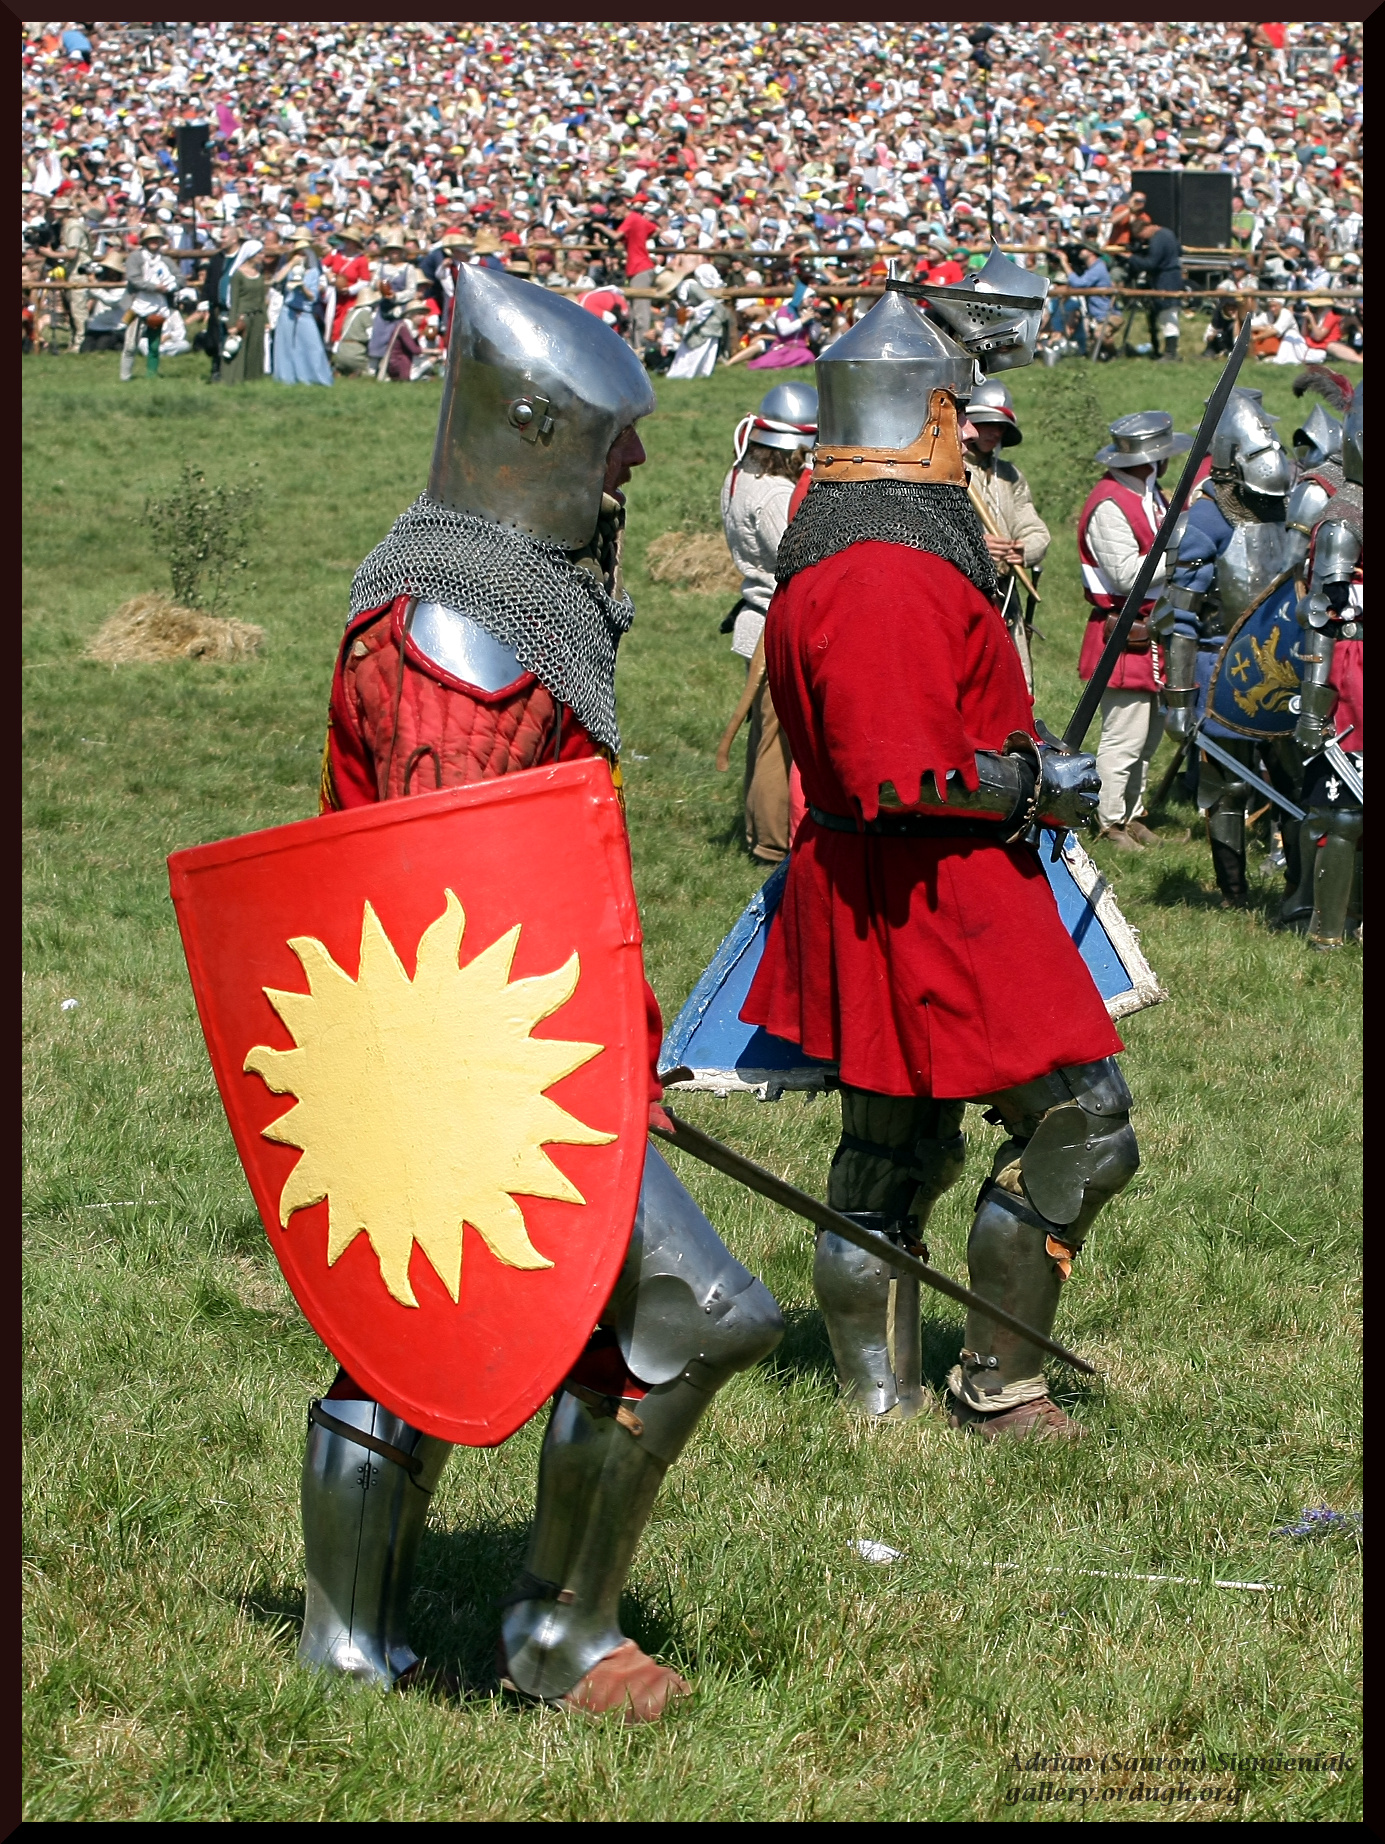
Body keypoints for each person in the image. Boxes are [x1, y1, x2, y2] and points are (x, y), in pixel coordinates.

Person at [314, 267, 784, 1718]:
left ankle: (383, 1638)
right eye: (610, 435)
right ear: (530, 427)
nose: (633, 460)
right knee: (679, 1310)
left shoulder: (500, 599)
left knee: (436, 1326)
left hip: (513, 1040)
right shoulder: (463, 631)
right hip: (464, 1054)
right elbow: (448, 902)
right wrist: (576, 1072)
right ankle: (543, 1632)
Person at [740, 263, 1140, 1444]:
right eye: (954, 411)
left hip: (884, 880)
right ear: (917, 418)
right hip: (931, 890)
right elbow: (901, 771)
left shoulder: (858, 542)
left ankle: (880, 1394)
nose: (969, 431)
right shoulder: (883, 569)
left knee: (892, 1143)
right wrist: (1035, 780)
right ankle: (993, 1385)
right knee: (1081, 1128)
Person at [1151, 389, 1296, 904]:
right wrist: (1178, 700)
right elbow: (1179, 617)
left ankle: (1298, 891)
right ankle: (1234, 894)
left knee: (1292, 782)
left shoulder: (1284, 510)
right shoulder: (1206, 520)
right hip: (1220, 671)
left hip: (1285, 665)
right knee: (1228, 786)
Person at [1076, 413, 1192, 850]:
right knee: (1124, 737)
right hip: (1123, 632)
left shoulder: (1152, 494)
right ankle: (1108, 822)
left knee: (1148, 738)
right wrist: (1183, 557)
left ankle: (1132, 813)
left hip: (1155, 630)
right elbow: (1126, 575)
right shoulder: (1109, 503)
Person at [719, 380, 818, 863]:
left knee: (765, 737)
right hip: (771, 624)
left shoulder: (740, 475)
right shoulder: (777, 494)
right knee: (777, 744)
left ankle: (758, 832)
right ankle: (773, 844)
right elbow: (796, 559)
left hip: (755, 619)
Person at [1283, 385, 1363, 945]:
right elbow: (1323, 616)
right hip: (1353, 674)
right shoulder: (1344, 518)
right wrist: (1314, 709)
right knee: (1344, 813)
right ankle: (1327, 929)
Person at [962, 379, 1050, 693]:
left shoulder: (1010, 476)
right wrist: (977, 546)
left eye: (1000, 426)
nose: (995, 432)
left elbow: (1036, 531)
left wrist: (1023, 549)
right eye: (987, 424)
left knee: (1016, 686)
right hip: (966, 593)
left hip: (1005, 594)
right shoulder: (949, 472)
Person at [270, 231, 333, 386]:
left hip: (305, 312)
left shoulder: (314, 271)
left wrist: (302, 286)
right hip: (288, 309)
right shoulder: (289, 266)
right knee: (285, 346)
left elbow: (313, 296)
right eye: (298, 253)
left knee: (313, 346)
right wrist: (291, 263)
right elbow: (276, 279)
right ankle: (287, 378)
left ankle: (317, 377)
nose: (301, 256)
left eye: (304, 253)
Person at [1125, 210, 1185, 363]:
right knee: (1168, 314)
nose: (1142, 239)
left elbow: (1151, 263)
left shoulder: (1157, 239)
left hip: (1166, 280)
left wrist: (1132, 258)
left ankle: (1171, 353)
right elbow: (1179, 251)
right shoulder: (1168, 233)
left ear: (1145, 229)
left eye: (1141, 236)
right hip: (1173, 277)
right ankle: (1166, 351)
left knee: (1168, 314)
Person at [120, 225, 176, 382]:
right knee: (130, 345)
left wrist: (171, 286)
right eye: (151, 239)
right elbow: (134, 279)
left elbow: (179, 278)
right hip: (135, 304)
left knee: (154, 344)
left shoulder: (165, 260)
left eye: (157, 239)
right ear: (145, 241)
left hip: (159, 306)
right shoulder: (135, 257)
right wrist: (155, 287)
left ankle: (152, 375)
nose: (154, 242)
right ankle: (125, 377)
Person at [667, 262, 728, 380]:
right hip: (699, 322)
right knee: (691, 350)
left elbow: (710, 302)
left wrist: (694, 311)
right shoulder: (682, 291)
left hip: (710, 321)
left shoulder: (691, 286)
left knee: (701, 352)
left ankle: (697, 374)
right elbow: (672, 316)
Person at [220, 243, 268, 385]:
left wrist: (266, 319)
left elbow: (261, 299)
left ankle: (253, 378)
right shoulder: (238, 275)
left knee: (255, 348)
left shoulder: (258, 274)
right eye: (260, 253)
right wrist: (232, 323)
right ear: (251, 254)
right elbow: (234, 301)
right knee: (239, 349)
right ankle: (234, 379)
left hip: (257, 316)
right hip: (243, 316)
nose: (263, 256)